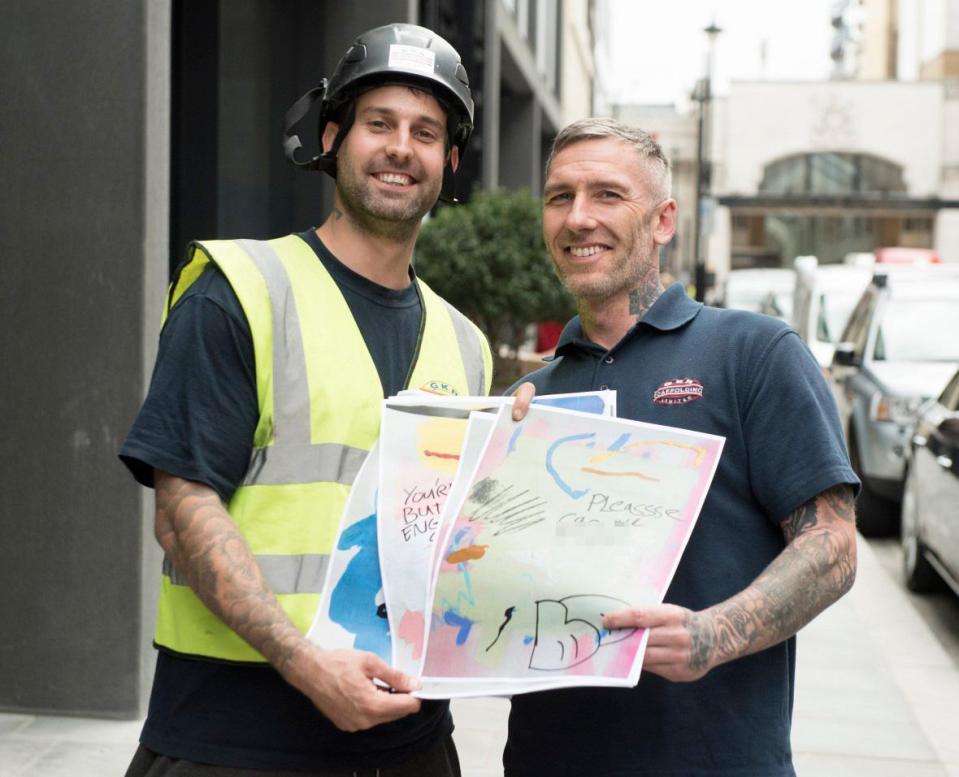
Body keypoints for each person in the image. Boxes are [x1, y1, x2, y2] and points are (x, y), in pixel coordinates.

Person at [119, 23, 492, 777]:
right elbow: (182, 509)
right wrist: (304, 662)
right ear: (331, 137)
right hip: (235, 737)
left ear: (448, 163)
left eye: (425, 132)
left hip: (411, 741)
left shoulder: (467, 344)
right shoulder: (242, 292)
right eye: (377, 123)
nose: (400, 148)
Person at [505, 118, 859, 776]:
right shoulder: (531, 396)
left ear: (663, 219)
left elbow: (832, 547)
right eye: (559, 197)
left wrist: (710, 634)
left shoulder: (752, 352)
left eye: (607, 195)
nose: (578, 217)